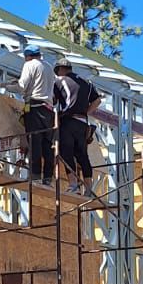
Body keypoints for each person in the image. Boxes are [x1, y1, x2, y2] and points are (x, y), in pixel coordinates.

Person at [53, 59, 100, 199]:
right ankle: (89, 189)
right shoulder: (87, 83)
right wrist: (86, 111)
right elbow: (97, 100)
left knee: (66, 153)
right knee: (82, 156)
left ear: (61, 69)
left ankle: (73, 185)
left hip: (68, 121)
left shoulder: (59, 81)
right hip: (82, 123)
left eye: (58, 72)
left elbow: (53, 100)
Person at [17, 48, 56, 182]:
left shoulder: (30, 64)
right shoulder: (49, 67)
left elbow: (22, 85)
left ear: (28, 56)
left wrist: (7, 86)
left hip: (35, 107)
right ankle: (47, 177)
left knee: (35, 143)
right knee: (47, 145)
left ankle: (35, 176)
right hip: (49, 110)